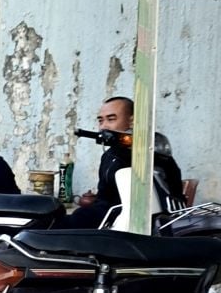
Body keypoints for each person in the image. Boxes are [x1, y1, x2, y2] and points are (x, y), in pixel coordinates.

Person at [61, 96, 185, 228]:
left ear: (132, 121)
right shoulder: (109, 155)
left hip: (139, 222)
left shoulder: (151, 151)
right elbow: (103, 197)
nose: (103, 126)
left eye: (111, 119)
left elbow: (157, 198)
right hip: (108, 218)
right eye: (101, 121)